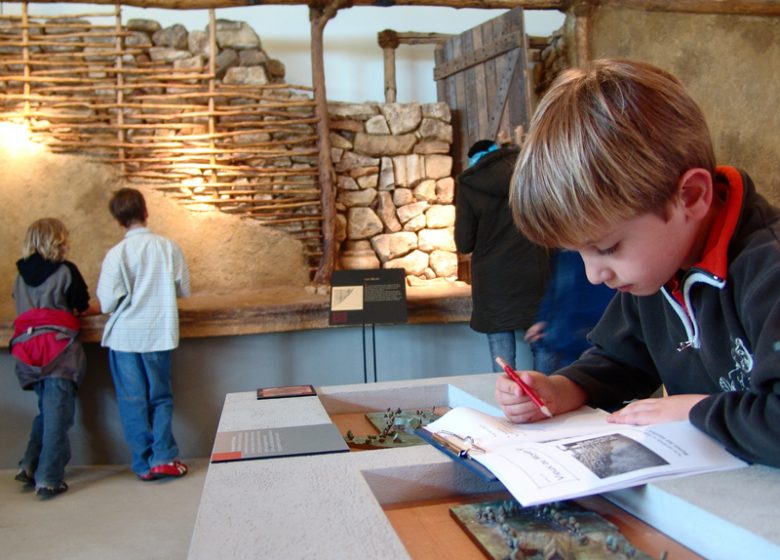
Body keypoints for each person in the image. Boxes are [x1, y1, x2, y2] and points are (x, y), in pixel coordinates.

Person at [495, 58, 780, 467]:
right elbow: (621, 359)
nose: (594, 275)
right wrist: (564, 387)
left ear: (692, 196)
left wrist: (694, 412)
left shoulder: (769, 271)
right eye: (577, 254)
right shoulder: (658, 272)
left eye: (608, 248)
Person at [97, 188, 191, 481]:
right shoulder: (168, 247)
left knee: (132, 400)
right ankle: (164, 457)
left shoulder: (116, 254)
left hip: (125, 338)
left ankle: (142, 464)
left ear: (118, 220)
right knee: (160, 397)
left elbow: (107, 301)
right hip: (158, 334)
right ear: (145, 211)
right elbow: (182, 289)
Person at [10, 218, 93, 499]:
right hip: (58, 351)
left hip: (27, 352)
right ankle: (49, 478)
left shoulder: (19, 276)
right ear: (58, 240)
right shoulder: (66, 271)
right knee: (59, 416)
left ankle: (30, 465)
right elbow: (81, 306)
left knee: (47, 411)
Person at [455, 139, 550, 373]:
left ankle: (507, 408)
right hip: (537, 272)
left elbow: (464, 242)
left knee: (503, 359)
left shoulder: (470, 184)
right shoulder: (532, 170)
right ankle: (550, 403)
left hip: (494, 282)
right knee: (543, 347)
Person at [525, 249, 615, 374]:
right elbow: (557, 289)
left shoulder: (591, 255)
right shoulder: (565, 254)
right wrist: (543, 319)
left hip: (588, 337)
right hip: (562, 335)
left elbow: (605, 299)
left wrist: (593, 340)